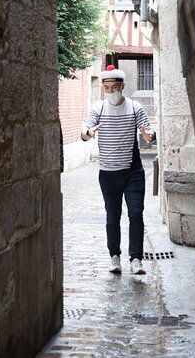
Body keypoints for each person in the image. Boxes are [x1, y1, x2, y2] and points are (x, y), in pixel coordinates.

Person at [81, 65, 155, 275]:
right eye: (107, 88)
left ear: (123, 86)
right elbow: (85, 132)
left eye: (115, 87)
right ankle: (114, 256)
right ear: (103, 89)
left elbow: (148, 132)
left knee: (136, 214)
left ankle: (136, 259)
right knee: (112, 216)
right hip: (108, 174)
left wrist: (149, 136)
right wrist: (89, 132)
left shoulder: (134, 107)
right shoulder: (99, 109)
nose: (111, 92)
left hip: (133, 172)